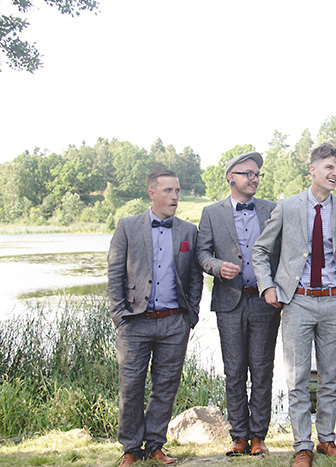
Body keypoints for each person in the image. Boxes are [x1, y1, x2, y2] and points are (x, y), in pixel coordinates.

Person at [253, 142, 336, 467]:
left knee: (331, 376)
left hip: (334, 303)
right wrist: (267, 286)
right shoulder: (288, 207)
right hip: (297, 302)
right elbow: (260, 250)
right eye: (329, 167)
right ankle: (302, 445)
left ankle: (327, 439)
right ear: (312, 169)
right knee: (297, 377)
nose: (335, 174)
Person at [107, 169, 203, 467]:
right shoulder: (127, 227)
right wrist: (120, 315)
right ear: (152, 193)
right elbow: (114, 274)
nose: (175, 196)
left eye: (177, 190)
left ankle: (155, 446)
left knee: (166, 386)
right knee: (131, 386)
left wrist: (191, 315)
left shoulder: (189, 231)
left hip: (175, 322)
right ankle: (131, 448)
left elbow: (195, 277)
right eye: (168, 191)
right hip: (135, 322)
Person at [196, 151, 280, 456]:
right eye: (248, 174)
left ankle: (258, 436)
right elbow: (202, 253)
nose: (254, 179)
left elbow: (283, 253)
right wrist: (218, 267)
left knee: (262, 370)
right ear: (231, 177)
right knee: (234, 372)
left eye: (257, 174)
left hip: (264, 302)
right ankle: (239, 437)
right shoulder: (211, 213)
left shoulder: (272, 209)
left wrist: (276, 288)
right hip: (229, 302)